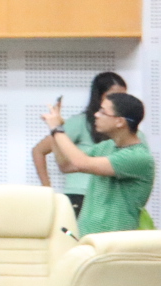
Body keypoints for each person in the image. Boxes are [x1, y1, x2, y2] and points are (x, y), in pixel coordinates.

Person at [40, 92, 155, 236]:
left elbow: (81, 162)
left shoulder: (138, 157)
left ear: (119, 121)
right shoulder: (106, 147)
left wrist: (57, 129)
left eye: (102, 111)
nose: (96, 114)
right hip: (87, 235)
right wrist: (55, 132)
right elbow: (66, 165)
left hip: (114, 241)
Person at [32, 71, 127, 220]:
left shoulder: (123, 128)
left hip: (108, 198)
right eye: (112, 96)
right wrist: (47, 189)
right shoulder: (80, 122)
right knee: (71, 235)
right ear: (99, 97)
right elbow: (39, 150)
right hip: (79, 196)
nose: (118, 102)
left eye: (123, 97)